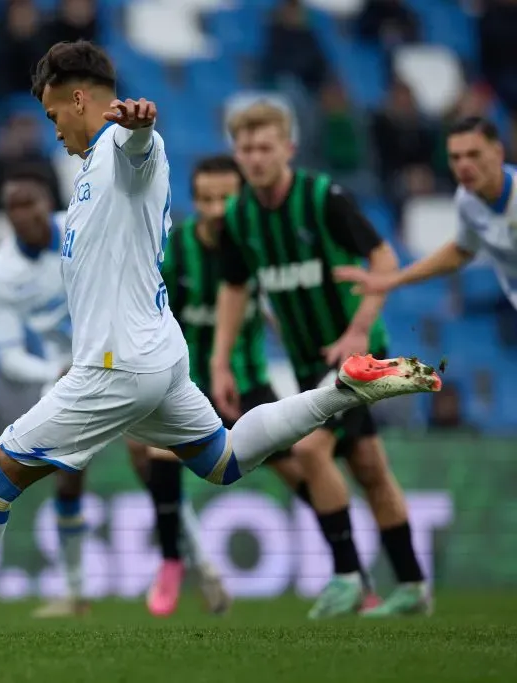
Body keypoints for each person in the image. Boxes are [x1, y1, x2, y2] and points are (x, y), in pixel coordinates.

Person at [0, 40, 441, 638]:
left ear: (80, 99)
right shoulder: (88, 173)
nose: (54, 130)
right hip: (157, 356)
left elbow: (140, 152)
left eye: (54, 115)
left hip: (116, 366)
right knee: (224, 460)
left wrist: (138, 131)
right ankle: (342, 389)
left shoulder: (121, 152)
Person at [212, 102, 434, 618]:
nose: (256, 157)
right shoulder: (241, 217)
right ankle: (413, 586)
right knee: (368, 467)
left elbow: (384, 260)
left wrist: (357, 330)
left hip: (359, 356)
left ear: (288, 149)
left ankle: (349, 576)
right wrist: (221, 362)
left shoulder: (323, 197)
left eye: (266, 147)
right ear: (237, 154)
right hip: (310, 357)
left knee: (311, 452)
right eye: (246, 149)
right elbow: (234, 287)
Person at [0, 164, 228, 618]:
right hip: (69, 375)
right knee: (67, 476)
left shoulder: (81, 229)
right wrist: (53, 367)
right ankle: (76, 593)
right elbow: (8, 355)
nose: (23, 214)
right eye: (12, 208)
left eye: (30, 203)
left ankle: (204, 566)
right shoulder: (0, 275)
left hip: (122, 365)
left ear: (46, 203)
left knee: (153, 465)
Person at [166, 154, 380, 613]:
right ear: (194, 201)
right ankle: (176, 563)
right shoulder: (175, 251)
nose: (217, 209)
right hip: (185, 389)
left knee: (303, 476)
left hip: (249, 387)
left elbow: (272, 305)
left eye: (226, 198)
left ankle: (354, 574)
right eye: (206, 199)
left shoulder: (256, 243)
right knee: (150, 454)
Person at [336, 117, 517, 311]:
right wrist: (393, 280)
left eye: (474, 154)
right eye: (456, 157)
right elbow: (461, 251)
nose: (464, 165)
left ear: (497, 153)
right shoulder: (468, 199)